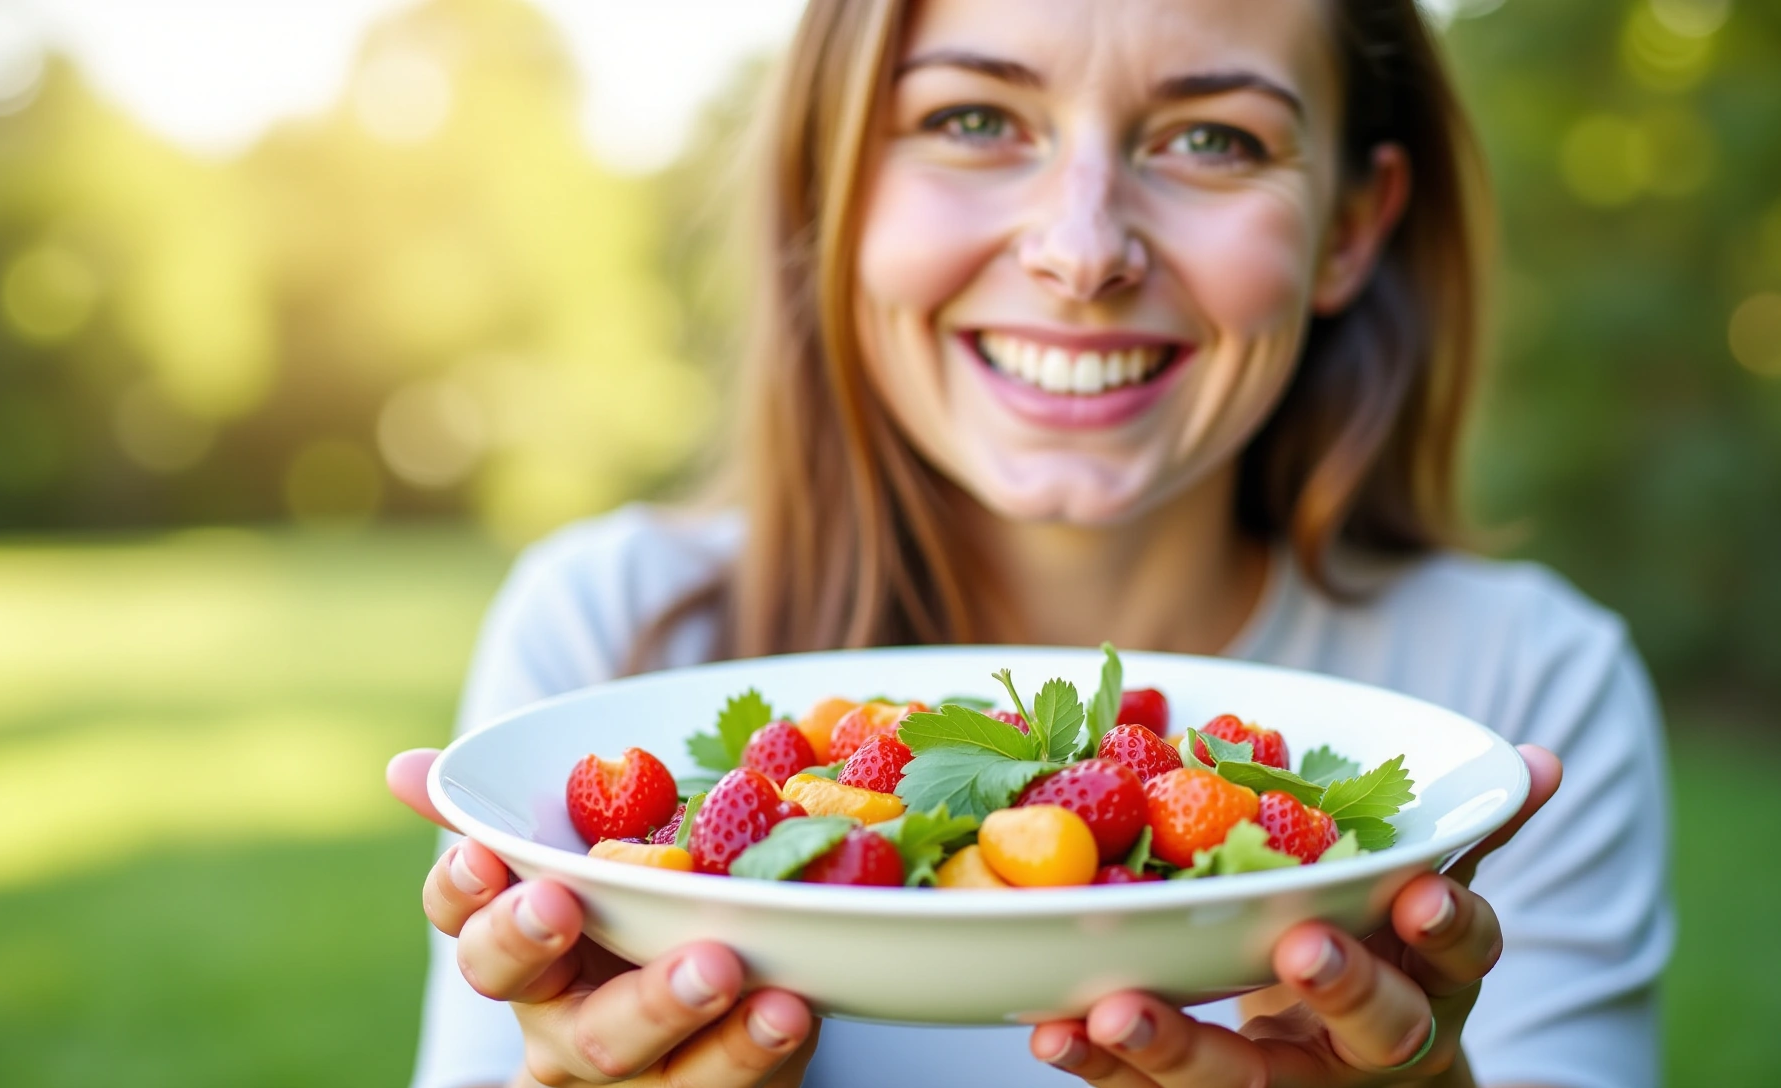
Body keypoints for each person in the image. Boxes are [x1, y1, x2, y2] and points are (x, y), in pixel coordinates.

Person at [384, 0, 1673, 1085]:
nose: (1081, 250)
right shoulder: (606, 632)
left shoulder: (1515, 698)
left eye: (1214, 138)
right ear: (833, 179)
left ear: (1348, 226)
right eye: (973, 120)